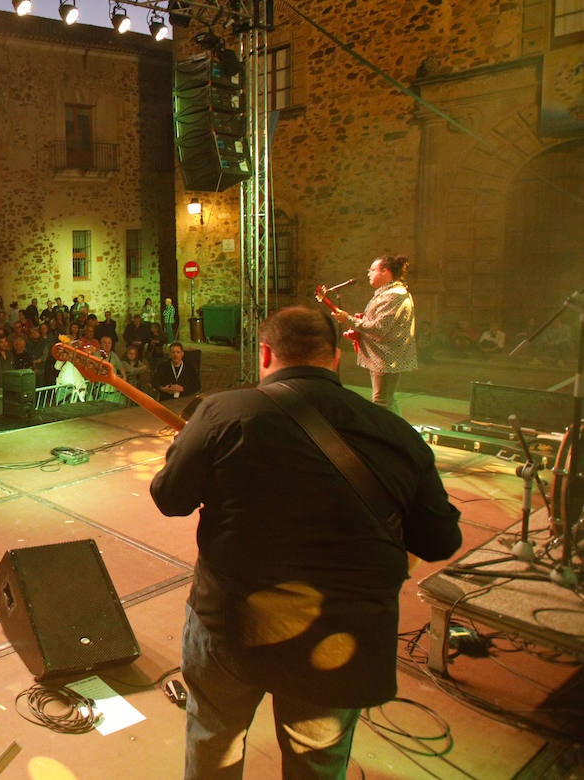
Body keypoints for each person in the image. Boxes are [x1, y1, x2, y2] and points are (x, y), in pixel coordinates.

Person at [150, 307, 462, 779]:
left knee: (215, 740)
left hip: (233, 627)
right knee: (316, 765)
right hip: (339, 643)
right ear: (336, 358)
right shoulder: (397, 434)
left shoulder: (223, 412)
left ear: (266, 353)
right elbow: (440, 540)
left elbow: (169, 498)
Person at [329, 254, 417, 414]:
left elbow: (379, 328)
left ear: (385, 271)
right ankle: (397, 432)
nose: (369, 273)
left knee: (381, 402)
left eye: (372, 269)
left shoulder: (393, 295)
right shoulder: (390, 292)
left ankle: (384, 435)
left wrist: (347, 319)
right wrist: (358, 327)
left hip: (387, 357)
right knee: (388, 398)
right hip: (386, 356)